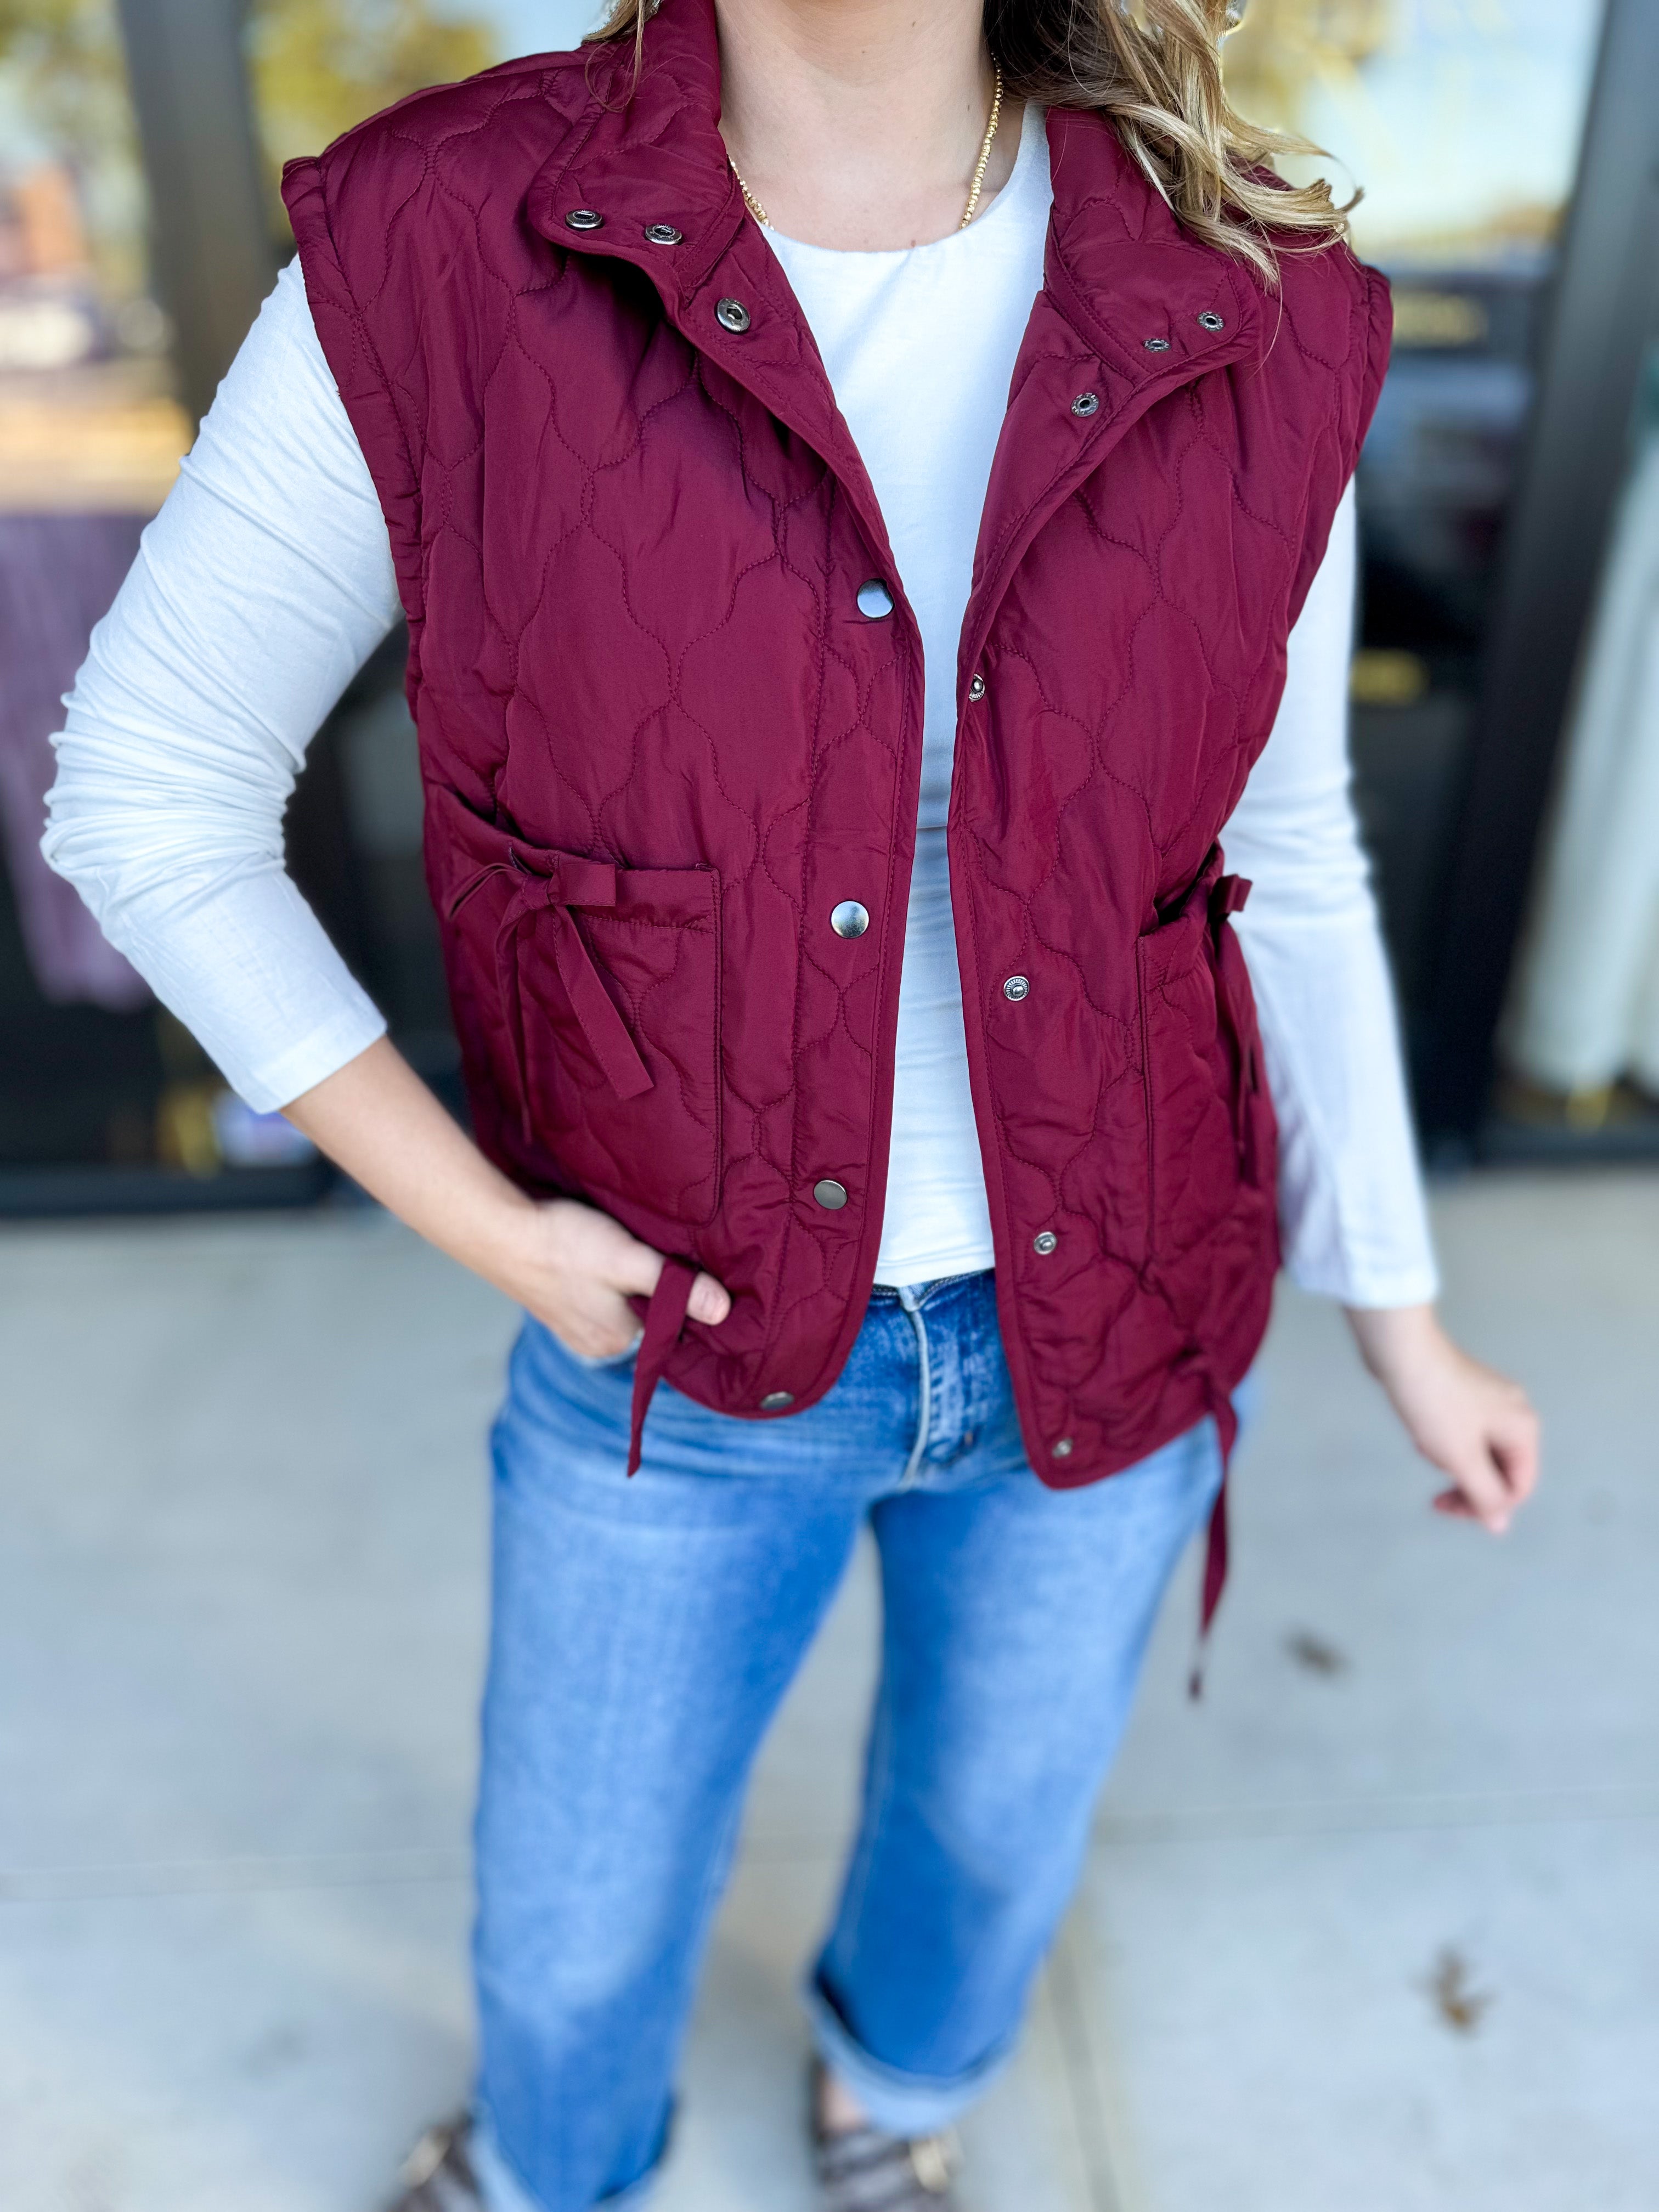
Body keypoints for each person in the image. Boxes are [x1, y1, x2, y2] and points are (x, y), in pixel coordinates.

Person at [43, 0, 1541, 2204]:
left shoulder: (1254, 291)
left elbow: (1286, 847)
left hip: (1123, 1306)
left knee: (990, 1843)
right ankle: (549, 2167)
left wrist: (1399, 1318)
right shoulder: (451, 237)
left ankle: (896, 2104)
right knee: (573, 1917)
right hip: (673, 1335)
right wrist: (487, 1229)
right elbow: (148, 793)